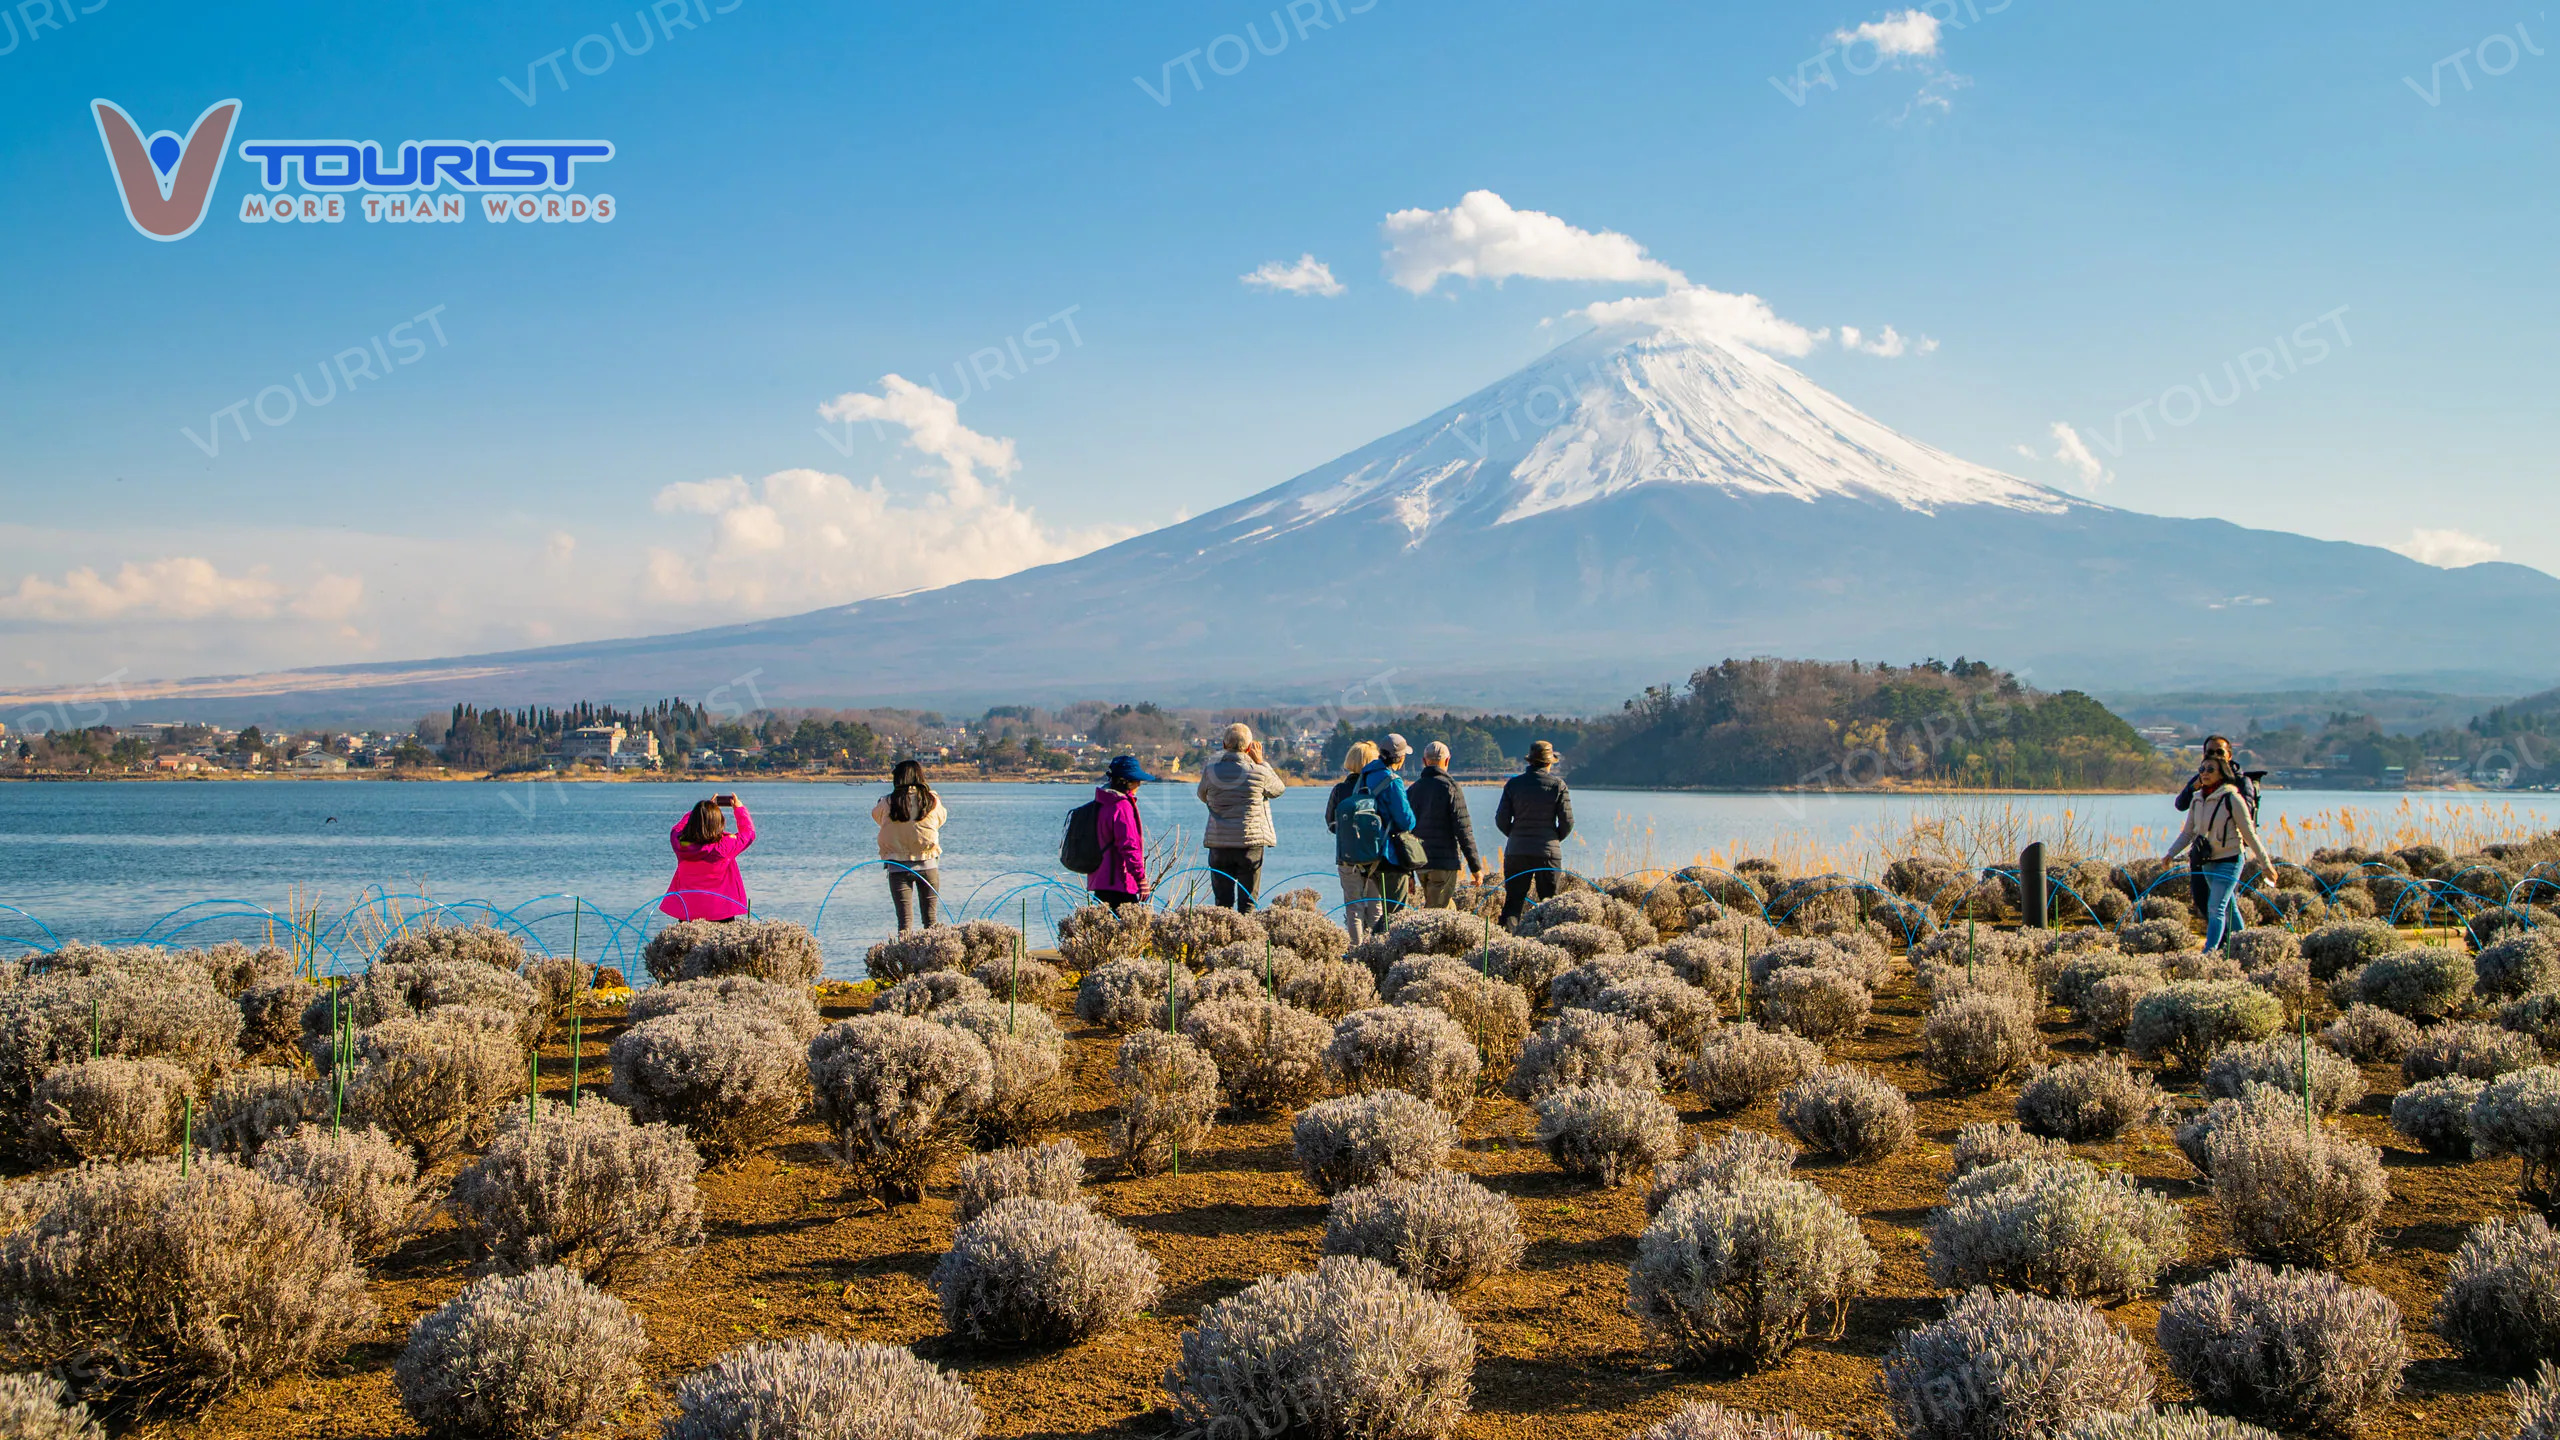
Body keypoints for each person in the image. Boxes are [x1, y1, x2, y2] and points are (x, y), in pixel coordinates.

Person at [2164, 751, 2278, 953]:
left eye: (2210, 770)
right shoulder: (2197, 799)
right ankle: (2245, 947)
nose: (2204, 773)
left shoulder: (2232, 798)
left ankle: (2209, 952)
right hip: (2208, 860)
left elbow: (2249, 834)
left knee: (2215, 907)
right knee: (2229, 908)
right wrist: (2170, 854)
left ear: (2222, 773)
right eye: (2202, 769)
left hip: (2231, 860)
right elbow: (2188, 833)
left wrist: (2265, 864)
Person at [1197, 722, 1285, 912]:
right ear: (1249, 747)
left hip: (1219, 842)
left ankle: (1222, 940)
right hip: (1249, 843)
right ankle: (1247, 939)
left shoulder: (1211, 771)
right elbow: (1278, 789)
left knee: (1222, 904)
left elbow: (1202, 796)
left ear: (1223, 744)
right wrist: (1261, 762)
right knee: (1248, 904)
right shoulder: (1259, 772)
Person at [2175, 735, 2264, 916]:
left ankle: (2226, 942)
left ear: (2229, 755)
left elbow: (2245, 819)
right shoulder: (2202, 777)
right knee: (2203, 900)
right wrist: (2193, 787)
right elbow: (2180, 805)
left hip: (2228, 853)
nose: (2215, 755)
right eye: (2209, 752)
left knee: (2222, 905)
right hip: (2202, 852)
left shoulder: (2241, 782)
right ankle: (2227, 941)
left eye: (2220, 752)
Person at [1494, 740, 1574, 923]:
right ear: (1549, 762)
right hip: (1548, 852)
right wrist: (1552, 838)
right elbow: (1567, 822)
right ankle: (1547, 943)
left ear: (1530, 761)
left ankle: (1506, 944)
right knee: (1550, 905)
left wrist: (1515, 835)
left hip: (1517, 851)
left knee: (1513, 903)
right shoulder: (1558, 785)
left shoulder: (1513, 784)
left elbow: (1501, 820)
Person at [871, 758, 946, 931]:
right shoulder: (932, 800)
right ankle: (933, 955)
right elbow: (941, 819)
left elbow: (876, 816)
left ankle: (904, 956)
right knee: (931, 921)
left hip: (897, 866)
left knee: (904, 923)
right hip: (928, 864)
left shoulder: (888, 802)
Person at [1407, 740, 1482, 909]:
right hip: (1443, 862)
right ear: (1447, 761)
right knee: (1436, 913)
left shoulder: (1412, 790)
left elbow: (1405, 832)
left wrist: (1408, 872)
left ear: (1424, 761)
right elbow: (1464, 830)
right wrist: (1475, 867)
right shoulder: (1451, 787)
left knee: (1446, 907)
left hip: (1420, 862)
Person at [662, 794, 754, 922]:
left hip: (688, 912)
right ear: (719, 822)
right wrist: (739, 809)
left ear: (693, 821)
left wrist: (699, 812)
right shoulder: (724, 847)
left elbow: (677, 829)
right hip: (721, 912)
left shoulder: (681, 844)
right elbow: (748, 834)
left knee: (686, 942)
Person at [1325, 741, 1384, 940]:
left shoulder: (1340, 790)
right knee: (1376, 906)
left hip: (1347, 857)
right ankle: (1377, 948)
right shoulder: (1377, 788)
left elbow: (1331, 823)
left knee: (1353, 907)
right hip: (1376, 858)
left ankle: (1356, 950)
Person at [1089, 754, 1157, 906]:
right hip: (1120, 882)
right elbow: (1129, 846)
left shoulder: (1101, 802)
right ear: (1127, 782)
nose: (1139, 784)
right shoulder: (1121, 806)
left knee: (1101, 926)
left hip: (1101, 880)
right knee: (1129, 926)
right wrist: (1141, 879)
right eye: (1137, 780)